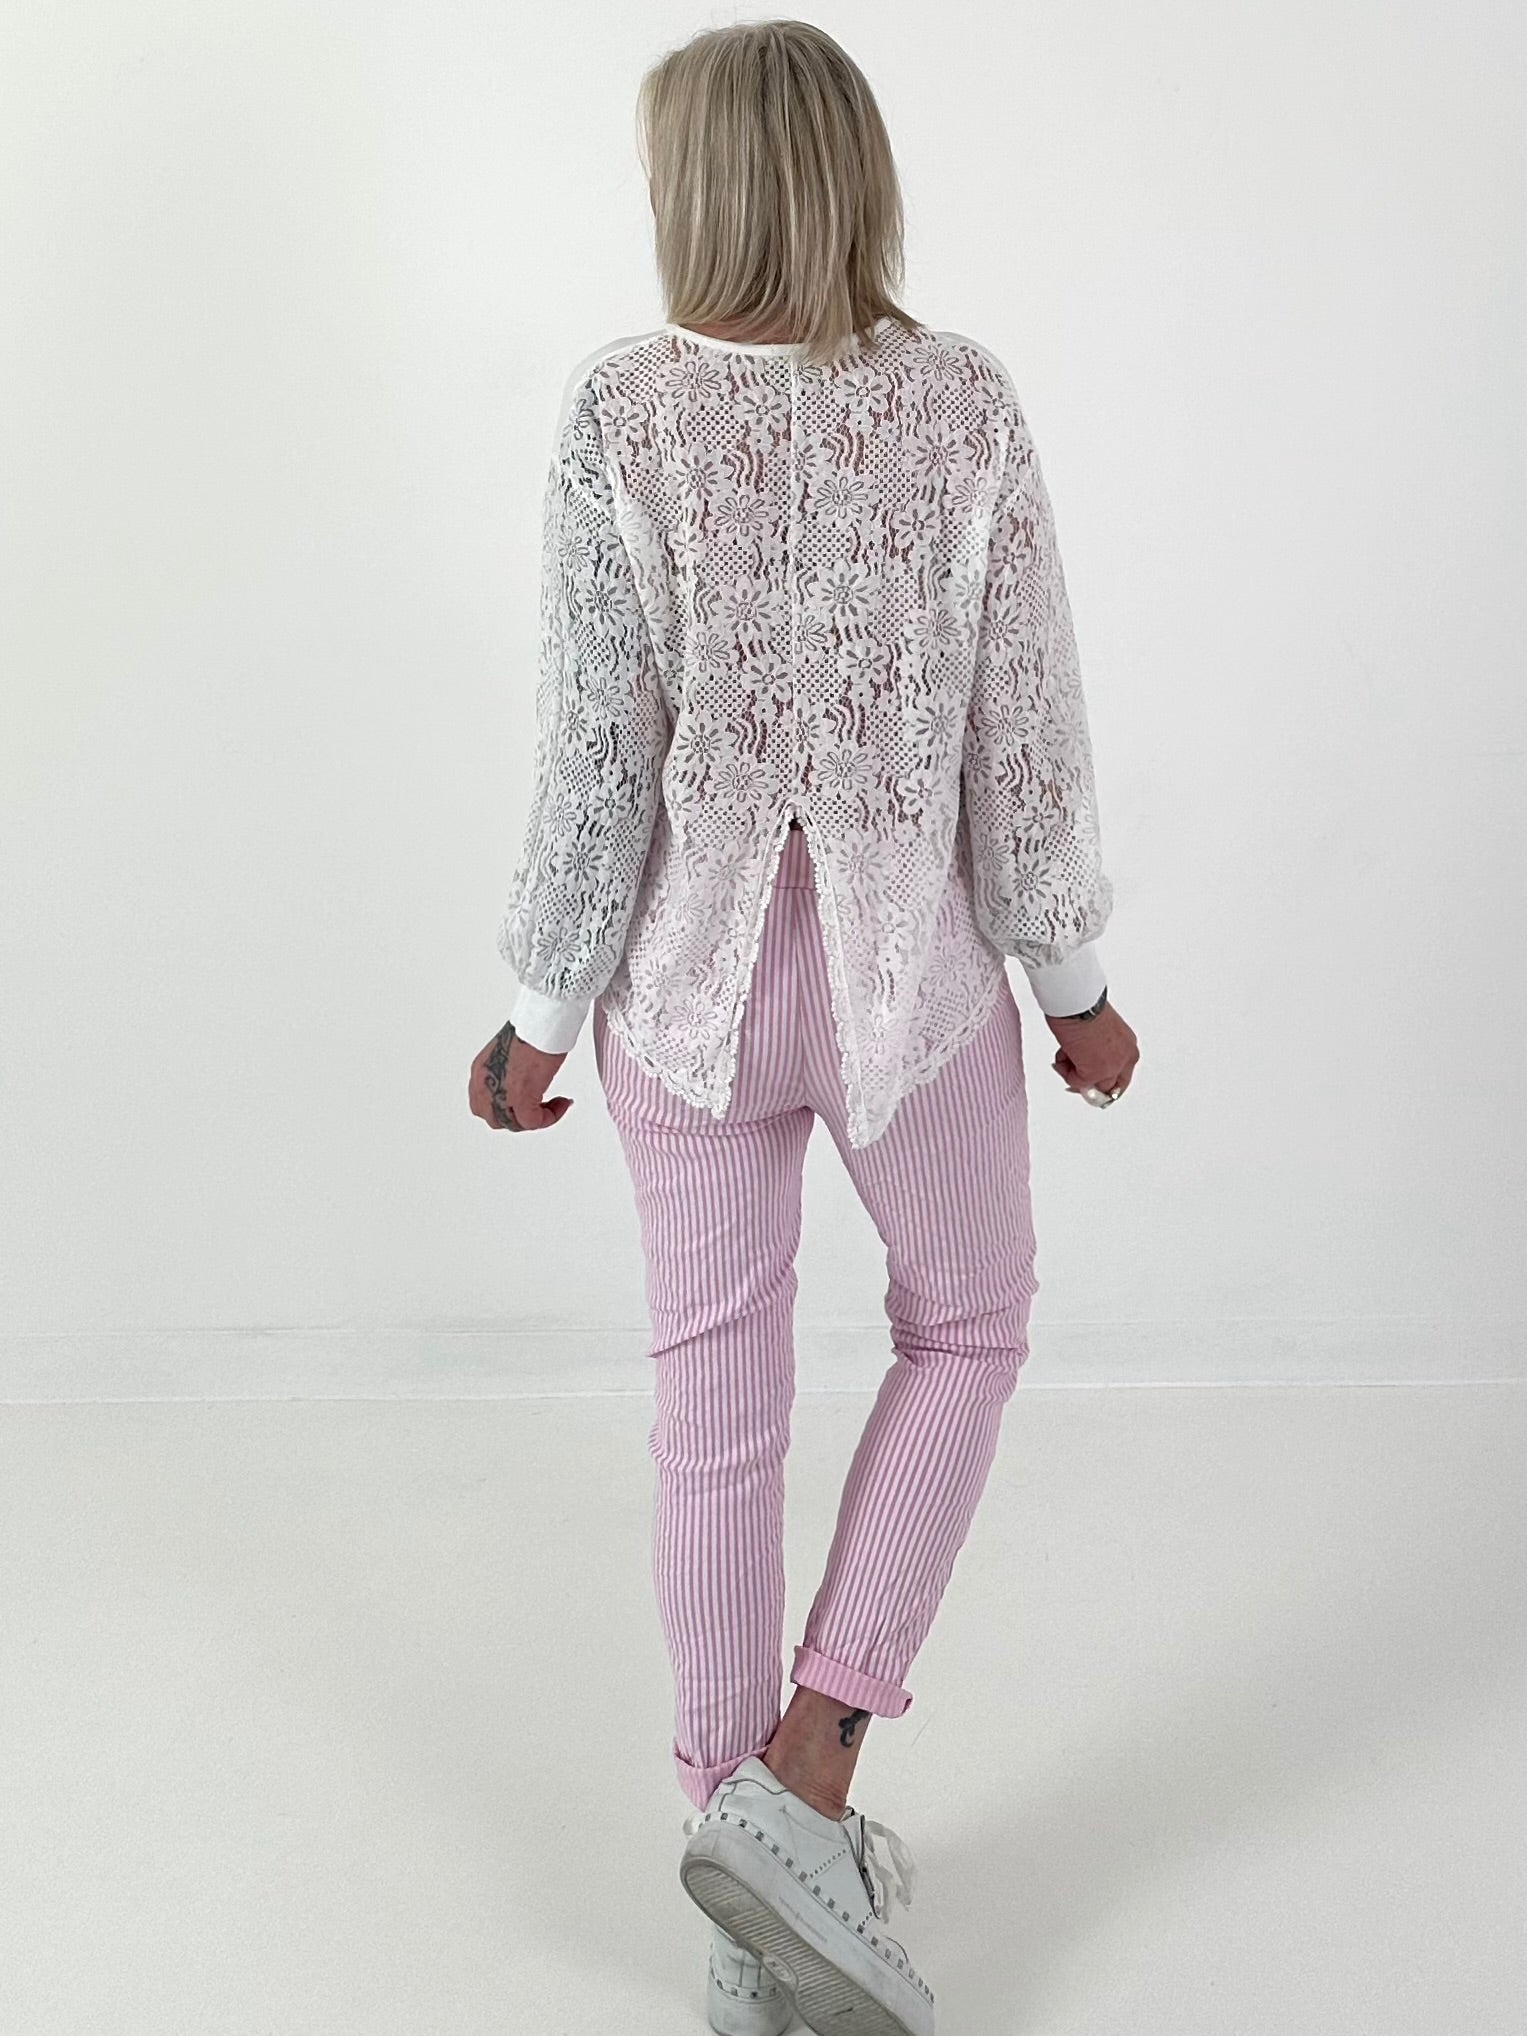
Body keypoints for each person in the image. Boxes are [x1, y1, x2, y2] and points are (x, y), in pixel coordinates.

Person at [469, 19, 1139, 2033]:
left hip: (681, 991)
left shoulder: (622, 408)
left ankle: (730, 1853)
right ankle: (811, 1767)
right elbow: (1023, 728)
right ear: (854, 179)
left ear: (695, 191)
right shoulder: (959, 403)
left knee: (712, 1413)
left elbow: (597, 750)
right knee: (971, 1325)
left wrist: (533, 1012)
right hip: (902, 986)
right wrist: (1074, 986)